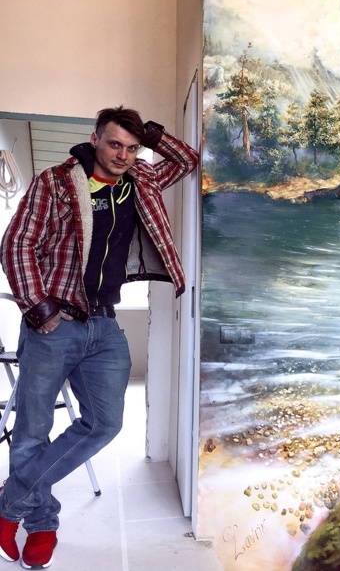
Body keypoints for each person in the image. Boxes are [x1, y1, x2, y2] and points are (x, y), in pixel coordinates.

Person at [0, 107, 198, 568]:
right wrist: (38, 307)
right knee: (32, 432)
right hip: (54, 322)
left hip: (104, 323)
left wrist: (151, 134)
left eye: (132, 147)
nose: (123, 155)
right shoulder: (56, 182)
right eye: (114, 144)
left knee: (104, 424)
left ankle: (8, 504)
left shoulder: (142, 180)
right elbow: (17, 243)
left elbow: (186, 160)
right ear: (95, 140)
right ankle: (42, 522)